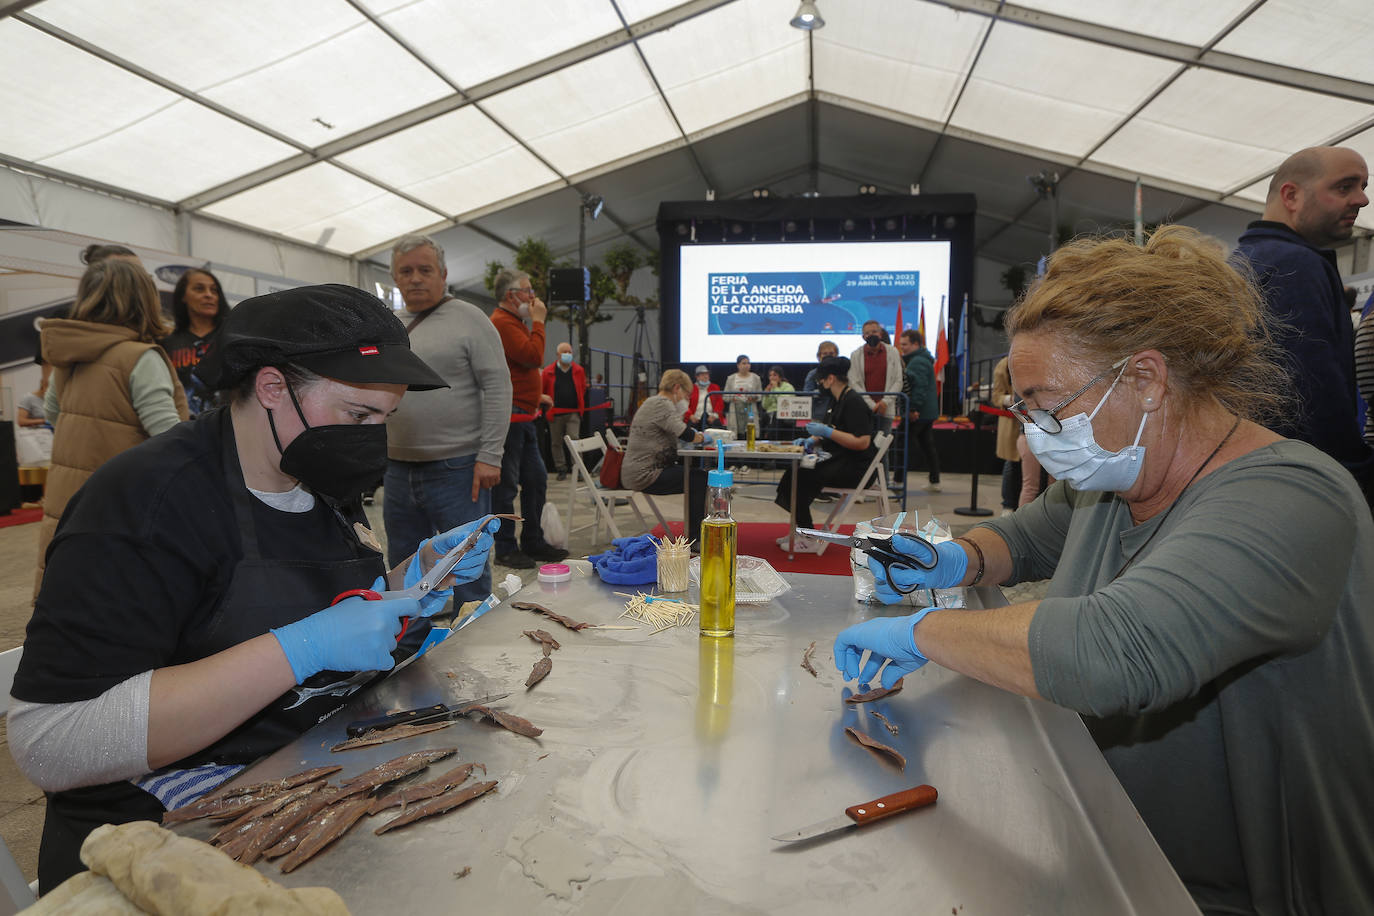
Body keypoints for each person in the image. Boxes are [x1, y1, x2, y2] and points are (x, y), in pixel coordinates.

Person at [832, 227, 1374, 913]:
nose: (1032, 430)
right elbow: (1029, 536)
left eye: (1045, 402)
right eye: (1021, 406)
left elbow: (1117, 649)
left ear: (1146, 380)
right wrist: (954, 558)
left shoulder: (1293, 499)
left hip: (1236, 893)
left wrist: (923, 631)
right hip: (1113, 848)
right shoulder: (1120, 478)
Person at [10, 284, 500, 891]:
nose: (373, 438)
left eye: (384, 419)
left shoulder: (317, 474)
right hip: (163, 841)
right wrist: (301, 648)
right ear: (272, 388)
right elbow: (49, 744)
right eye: (359, 416)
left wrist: (413, 579)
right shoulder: (145, 503)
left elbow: (326, 603)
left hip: (306, 778)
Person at [1232, 145, 1374, 509]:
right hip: (1302, 482)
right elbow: (1311, 389)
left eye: (1363, 185)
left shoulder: (1248, 259)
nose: (1362, 199)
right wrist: (1358, 473)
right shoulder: (1291, 264)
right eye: (1345, 187)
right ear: (1291, 195)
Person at [37, 257, 188, 592]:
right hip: (126, 504)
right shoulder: (139, 357)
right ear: (143, 299)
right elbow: (170, 437)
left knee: (73, 594)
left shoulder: (67, 358)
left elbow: (53, 415)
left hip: (68, 496)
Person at [384, 235, 511, 606]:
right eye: (405, 271)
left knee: (466, 564)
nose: (415, 278)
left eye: (425, 270)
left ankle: (473, 644)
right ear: (395, 278)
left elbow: (499, 386)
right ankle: (408, 650)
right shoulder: (389, 325)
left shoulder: (470, 319)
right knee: (405, 567)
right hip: (397, 469)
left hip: (459, 469)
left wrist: (491, 455)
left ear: (443, 274)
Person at [489, 268, 566, 568]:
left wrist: (536, 397)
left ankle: (533, 541)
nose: (533, 297)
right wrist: (539, 321)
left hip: (525, 416)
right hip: (511, 421)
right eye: (528, 291)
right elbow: (533, 356)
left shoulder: (514, 323)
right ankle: (505, 548)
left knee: (536, 480)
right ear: (512, 296)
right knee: (506, 487)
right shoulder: (503, 323)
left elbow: (522, 367)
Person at [775, 355, 875, 549]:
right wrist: (811, 439)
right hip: (840, 460)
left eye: (820, 380)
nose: (819, 385)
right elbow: (834, 428)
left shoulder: (854, 402)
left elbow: (862, 442)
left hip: (856, 467)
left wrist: (827, 432)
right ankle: (802, 530)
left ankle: (809, 537)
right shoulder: (838, 399)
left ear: (830, 379)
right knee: (794, 472)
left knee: (803, 476)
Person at [622, 369, 706, 544]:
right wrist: (704, 437)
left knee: (696, 475)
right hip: (645, 474)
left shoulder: (654, 402)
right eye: (686, 394)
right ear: (677, 388)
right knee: (699, 479)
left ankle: (697, 532)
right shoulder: (661, 403)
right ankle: (695, 538)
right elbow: (686, 434)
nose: (686, 400)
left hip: (644, 469)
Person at [161, 267, 229, 418]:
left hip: (229, 426)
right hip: (185, 426)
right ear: (183, 296)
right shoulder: (167, 343)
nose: (208, 295)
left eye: (214, 290)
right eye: (199, 289)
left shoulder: (231, 336)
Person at [897, 329, 940, 492]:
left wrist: (912, 408)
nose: (902, 348)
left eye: (905, 344)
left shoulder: (917, 362)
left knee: (903, 444)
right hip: (927, 412)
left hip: (919, 413)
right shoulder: (922, 359)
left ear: (916, 344)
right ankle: (935, 481)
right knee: (928, 446)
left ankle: (899, 482)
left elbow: (919, 389)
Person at [541, 341, 586, 481]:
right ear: (558, 355)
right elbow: (542, 391)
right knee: (556, 442)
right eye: (564, 352)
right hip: (555, 413)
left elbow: (582, 388)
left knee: (575, 440)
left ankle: (578, 469)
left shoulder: (579, 370)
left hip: (573, 412)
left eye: (569, 352)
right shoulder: (548, 372)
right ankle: (561, 469)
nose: (567, 354)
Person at [848, 319, 902, 434]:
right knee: (864, 446)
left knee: (883, 447)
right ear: (863, 337)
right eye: (867, 333)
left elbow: (898, 381)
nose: (871, 335)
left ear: (880, 334)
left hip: (886, 409)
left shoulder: (893, 352)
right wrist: (872, 405)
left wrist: (884, 403)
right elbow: (854, 383)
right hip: (864, 409)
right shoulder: (855, 355)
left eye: (874, 332)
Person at [992, 356, 1021, 512]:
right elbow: (996, 397)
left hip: (1035, 422)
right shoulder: (1003, 365)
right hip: (1012, 423)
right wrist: (1015, 399)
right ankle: (1008, 505)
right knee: (1012, 465)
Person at [15, 361, 54, 469]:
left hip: (51, 440)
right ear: (43, 385)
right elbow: (21, 421)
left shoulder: (52, 400)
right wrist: (42, 421)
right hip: (35, 442)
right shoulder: (28, 399)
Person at [722, 354, 762, 442]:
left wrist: (754, 398)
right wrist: (732, 398)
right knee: (737, 433)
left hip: (750, 408)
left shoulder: (756, 378)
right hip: (736, 409)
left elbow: (760, 395)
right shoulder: (731, 378)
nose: (747, 365)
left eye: (748, 363)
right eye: (744, 363)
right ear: (738, 365)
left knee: (750, 433)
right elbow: (725, 396)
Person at [803, 340, 840, 421]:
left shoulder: (842, 372)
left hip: (839, 414)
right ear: (819, 356)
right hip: (818, 415)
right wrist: (821, 390)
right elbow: (806, 394)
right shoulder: (812, 374)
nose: (828, 357)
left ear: (836, 355)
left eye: (831, 354)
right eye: (825, 354)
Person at [684, 364, 723, 429]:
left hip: (711, 417)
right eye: (702, 375)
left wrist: (714, 415)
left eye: (707, 374)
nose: (705, 376)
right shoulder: (690, 388)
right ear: (697, 377)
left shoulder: (715, 387)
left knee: (717, 424)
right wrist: (690, 415)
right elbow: (685, 404)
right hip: (695, 418)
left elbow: (720, 403)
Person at [760, 366, 794, 437]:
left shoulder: (788, 387)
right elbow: (765, 406)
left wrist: (776, 388)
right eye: (770, 375)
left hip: (783, 415)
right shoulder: (770, 387)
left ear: (780, 377)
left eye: (774, 375)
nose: (772, 377)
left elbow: (784, 403)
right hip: (769, 414)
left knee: (776, 417)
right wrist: (766, 395)